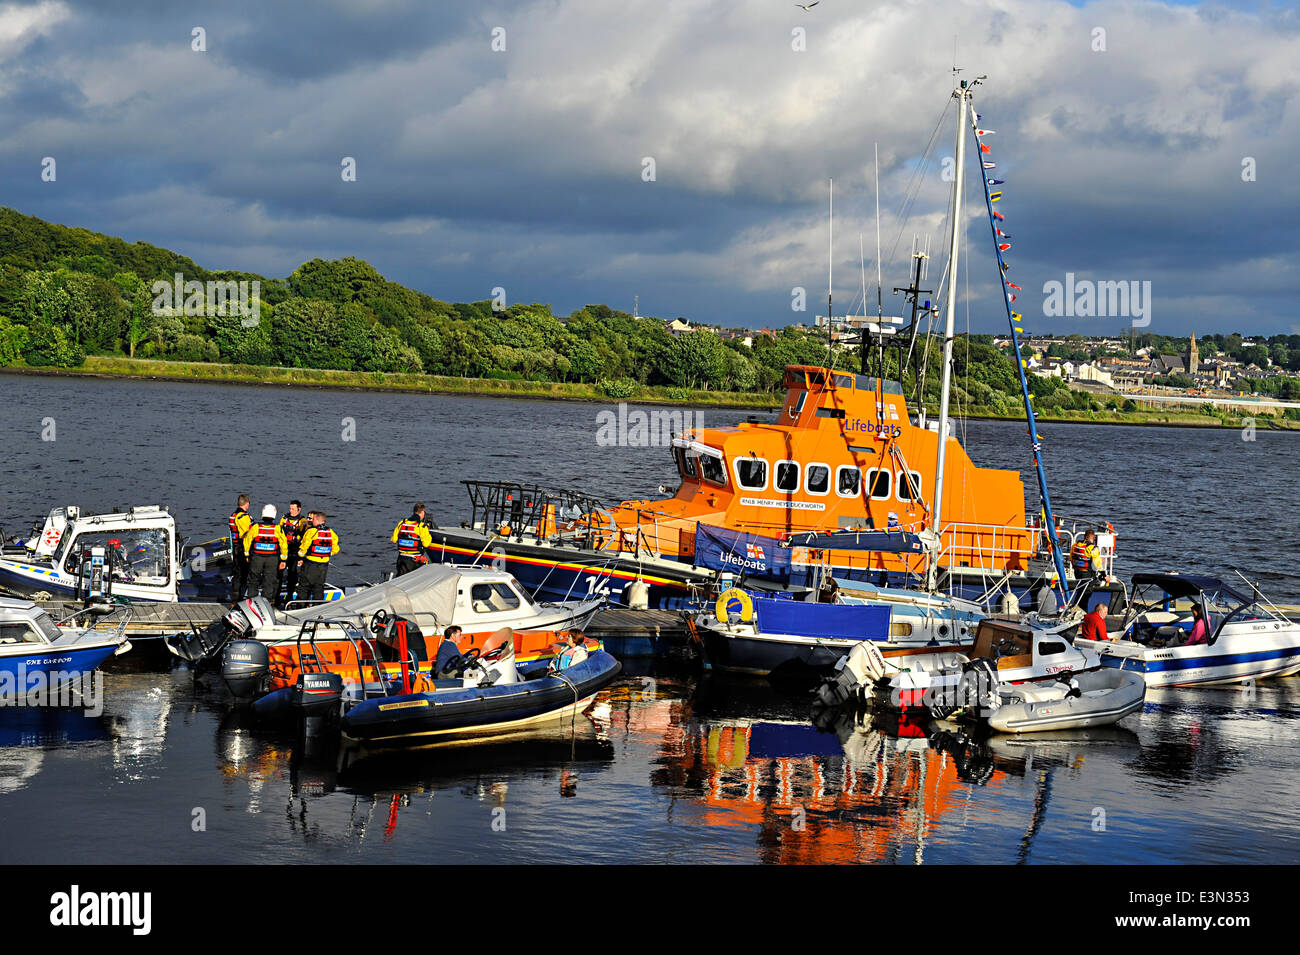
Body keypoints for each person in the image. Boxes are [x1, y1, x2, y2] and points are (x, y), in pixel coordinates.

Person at [243, 504, 287, 602]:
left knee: (253, 580)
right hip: (272, 559)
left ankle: (251, 602)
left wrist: (246, 555)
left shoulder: (256, 527)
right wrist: (283, 560)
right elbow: (284, 545)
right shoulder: (278, 528)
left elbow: (247, 540)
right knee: (269, 581)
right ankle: (267, 602)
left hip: (257, 558)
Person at [296, 510, 339, 604]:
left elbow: (303, 548)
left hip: (310, 564)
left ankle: (301, 607)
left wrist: (300, 558)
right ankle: (318, 608)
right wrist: (327, 553)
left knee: (304, 587)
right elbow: (336, 549)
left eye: (314, 519)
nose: (312, 522)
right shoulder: (331, 532)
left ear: (319, 521)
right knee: (319, 587)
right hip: (323, 565)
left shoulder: (311, 531)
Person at [277, 500, 307, 607]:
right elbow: (279, 531)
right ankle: (276, 597)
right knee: (279, 574)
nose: (291, 511)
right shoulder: (284, 518)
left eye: (293, 509)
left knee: (292, 574)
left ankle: (289, 598)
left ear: (299, 509)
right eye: (290, 508)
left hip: (295, 551)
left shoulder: (303, 521)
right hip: (284, 550)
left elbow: (305, 536)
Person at [391, 503, 434, 577]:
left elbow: (394, 539)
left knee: (400, 580)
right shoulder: (421, 526)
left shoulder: (402, 523)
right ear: (423, 512)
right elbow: (426, 544)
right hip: (414, 561)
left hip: (401, 558)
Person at [228, 494, 253, 601]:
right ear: (247, 504)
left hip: (236, 547)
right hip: (243, 548)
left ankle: (235, 598)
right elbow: (248, 533)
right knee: (243, 574)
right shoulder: (243, 517)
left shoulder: (232, 515)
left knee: (237, 572)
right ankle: (241, 598)